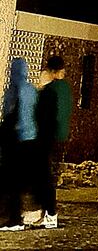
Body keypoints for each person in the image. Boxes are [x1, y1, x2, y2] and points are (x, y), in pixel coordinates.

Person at [28, 54, 72, 230]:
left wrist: (40, 88)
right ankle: (46, 212)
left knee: (43, 176)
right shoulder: (66, 88)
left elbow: (39, 112)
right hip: (59, 136)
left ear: (51, 71)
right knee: (47, 175)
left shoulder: (50, 90)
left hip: (45, 137)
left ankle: (49, 213)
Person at [0, 58, 38, 231]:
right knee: (16, 182)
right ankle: (14, 216)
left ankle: (14, 219)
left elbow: (11, 117)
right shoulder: (31, 90)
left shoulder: (13, 91)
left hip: (15, 141)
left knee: (11, 182)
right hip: (29, 140)